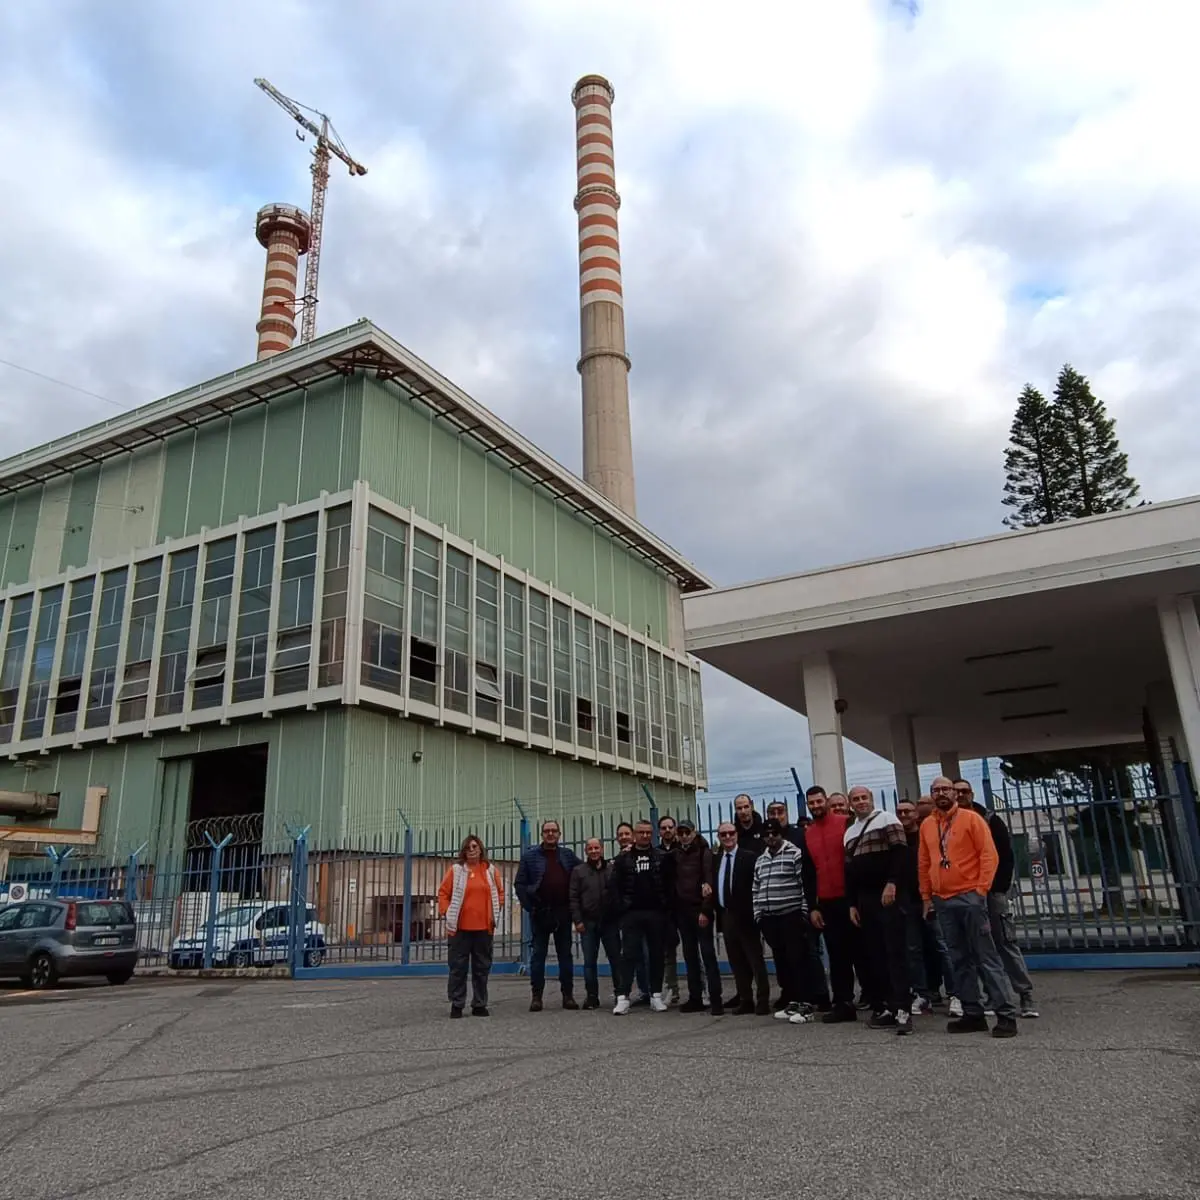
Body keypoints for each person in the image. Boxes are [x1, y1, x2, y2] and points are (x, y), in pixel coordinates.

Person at [919, 777, 1018, 1038]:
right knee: (958, 958)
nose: (941, 793)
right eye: (935, 790)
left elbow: (989, 855)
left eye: (945, 789)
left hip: (970, 897)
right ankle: (972, 1012)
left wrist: (981, 890)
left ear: (954, 793)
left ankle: (1005, 1014)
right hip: (943, 899)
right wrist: (927, 896)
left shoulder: (972, 819)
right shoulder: (927, 825)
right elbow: (924, 862)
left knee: (986, 956)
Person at [953, 780, 1038, 1019]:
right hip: (965, 893)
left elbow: (1005, 856)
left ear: (971, 794)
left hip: (991, 892)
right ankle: (993, 995)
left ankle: (1025, 994)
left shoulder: (990, 819)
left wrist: (998, 889)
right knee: (977, 946)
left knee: (1004, 941)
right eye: (956, 791)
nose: (960, 795)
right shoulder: (950, 822)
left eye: (964, 791)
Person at [845, 786, 912, 1035]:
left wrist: (893, 883)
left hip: (888, 894)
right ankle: (886, 1008)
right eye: (856, 799)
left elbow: (900, 853)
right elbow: (849, 871)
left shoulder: (887, 819)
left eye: (864, 798)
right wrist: (852, 903)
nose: (861, 802)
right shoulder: (850, 832)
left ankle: (903, 1010)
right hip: (865, 899)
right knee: (876, 955)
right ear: (851, 804)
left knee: (895, 954)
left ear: (871, 800)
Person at [752, 817, 821, 1024]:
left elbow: (804, 884)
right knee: (781, 962)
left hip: (791, 914)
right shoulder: (761, 859)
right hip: (769, 918)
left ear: (782, 834)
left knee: (798, 960)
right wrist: (758, 914)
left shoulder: (795, 854)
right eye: (767, 834)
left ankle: (806, 1004)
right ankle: (791, 1000)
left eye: (774, 833)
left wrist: (803, 911)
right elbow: (756, 888)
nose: (771, 838)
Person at [805, 785, 859, 1023]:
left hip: (850, 900)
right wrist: (813, 906)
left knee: (864, 952)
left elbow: (855, 863)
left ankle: (880, 1001)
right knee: (837, 957)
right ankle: (843, 1003)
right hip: (826, 901)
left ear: (826, 801)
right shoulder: (809, 832)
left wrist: (855, 900)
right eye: (811, 803)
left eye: (819, 801)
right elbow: (808, 872)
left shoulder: (846, 823)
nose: (816, 806)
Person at [514, 819, 581, 1012]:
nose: (550, 834)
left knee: (565, 956)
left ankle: (568, 996)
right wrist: (529, 907)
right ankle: (537, 997)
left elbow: (583, 872)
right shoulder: (530, 856)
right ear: (542, 834)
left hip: (563, 912)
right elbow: (520, 884)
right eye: (546, 831)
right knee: (538, 956)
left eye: (554, 831)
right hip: (540, 912)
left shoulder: (567, 855)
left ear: (559, 834)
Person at [610, 819, 674, 1014]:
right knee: (628, 956)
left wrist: (665, 908)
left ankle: (655, 996)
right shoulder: (623, 859)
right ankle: (623, 997)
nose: (645, 836)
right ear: (635, 834)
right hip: (631, 914)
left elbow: (669, 883)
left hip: (656, 913)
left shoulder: (661, 857)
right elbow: (614, 886)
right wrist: (621, 908)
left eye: (648, 832)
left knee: (656, 955)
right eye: (641, 832)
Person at [768, 798, 827, 1008]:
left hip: (801, 903)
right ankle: (790, 993)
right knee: (783, 955)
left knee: (809, 951)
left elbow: (810, 870)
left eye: (780, 811)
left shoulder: (800, 836)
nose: (776, 815)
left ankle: (819, 994)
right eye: (772, 812)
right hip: (777, 908)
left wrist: (809, 903)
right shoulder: (767, 839)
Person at [437, 835, 504, 1018]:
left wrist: (494, 913)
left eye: (475, 846)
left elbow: (499, 893)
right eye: (468, 847)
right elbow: (443, 893)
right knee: (458, 967)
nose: (472, 849)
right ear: (463, 851)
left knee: (482, 967)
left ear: (481, 849)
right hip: (459, 929)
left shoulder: (490, 871)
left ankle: (479, 1004)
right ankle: (457, 1004)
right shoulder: (456, 870)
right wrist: (446, 911)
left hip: (484, 929)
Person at [897, 799, 953, 1014]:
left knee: (942, 947)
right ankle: (921, 994)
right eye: (900, 812)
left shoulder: (927, 835)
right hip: (908, 901)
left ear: (916, 815)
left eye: (908, 811)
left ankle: (954, 993)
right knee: (913, 949)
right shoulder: (896, 840)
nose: (904, 815)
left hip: (931, 897)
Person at [713, 820, 770, 1015]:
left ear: (736, 834)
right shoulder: (717, 859)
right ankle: (745, 999)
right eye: (723, 834)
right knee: (736, 961)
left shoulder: (749, 857)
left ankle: (762, 1000)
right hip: (726, 915)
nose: (727, 837)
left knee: (755, 959)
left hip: (746, 915)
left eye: (730, 833)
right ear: (718, 837)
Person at [671, 819, 723, 1014]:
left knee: (708, 954)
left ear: (694, 832)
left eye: (687, 832)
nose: (684, 836)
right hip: (682, 911)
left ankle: (716, 998)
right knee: (689, 955)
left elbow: (709, 881)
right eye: (681, 832)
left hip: (700, 911)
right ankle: (695, 997)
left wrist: (706, 910)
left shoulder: (704, 852)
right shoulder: (675, 854)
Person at [570, 837, 621, 1010]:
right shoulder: (578, 871)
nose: (593, 851)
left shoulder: (611, 869)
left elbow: (617, 894)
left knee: (616, 959)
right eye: (590, 848)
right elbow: (573, 898)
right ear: (585, 851)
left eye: (596, 848)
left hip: (609, 922)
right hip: (588, 922)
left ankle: (620, 994)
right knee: (589, 962)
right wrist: (577, 920)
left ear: (602, 849)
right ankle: (592, 996)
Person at [614, 821, 651, 1004]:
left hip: (646, 912)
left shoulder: (646, 855)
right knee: (630, 955)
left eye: (626, 834)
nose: (624, 837)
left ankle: (650, 991)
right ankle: (632, 992)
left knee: (647, 954)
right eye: (620, 835)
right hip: (626, 915)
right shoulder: (618, 859)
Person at [658, 814, 682, 1005]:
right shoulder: (656, 852)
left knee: (694, 950)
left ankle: (701, 988)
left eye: (670, 827)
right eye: (663, 828)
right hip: (665, 909)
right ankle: (672, 990)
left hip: (684, 905)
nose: (667, 831)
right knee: (668, 952)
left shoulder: (683, 849)